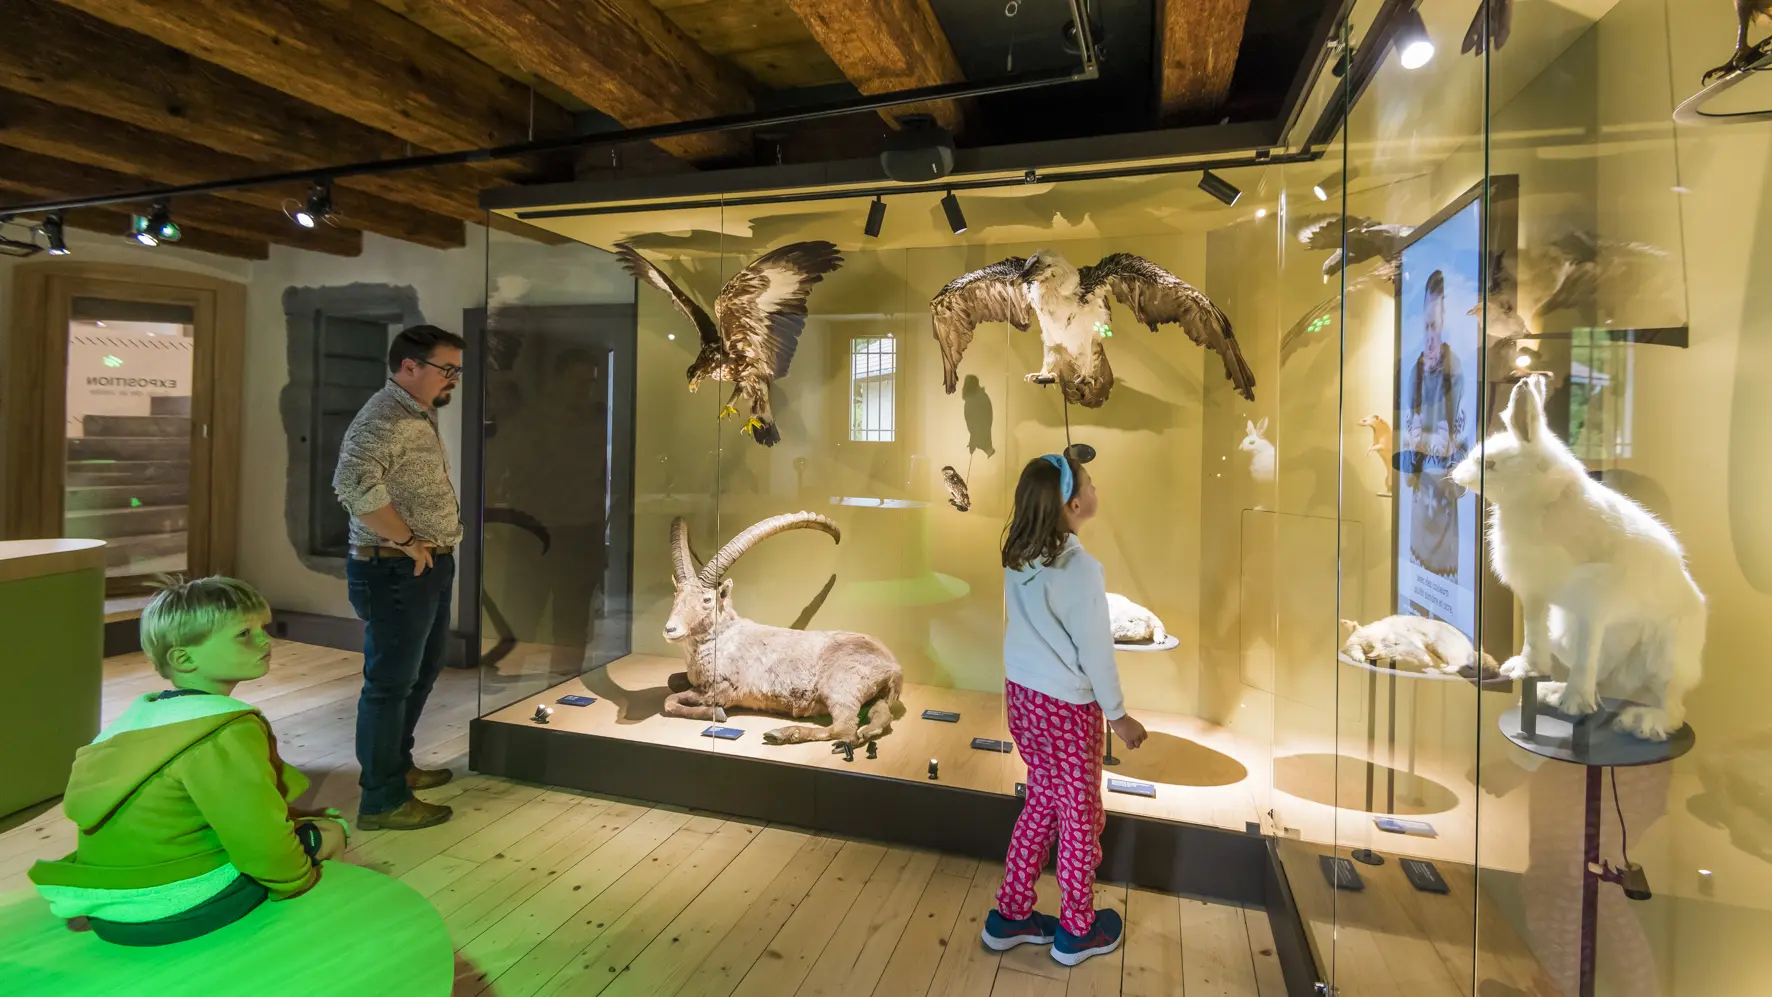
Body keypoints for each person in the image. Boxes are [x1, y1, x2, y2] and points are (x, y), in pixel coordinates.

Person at [27, 577, 348, 946]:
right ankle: (315, 940)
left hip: (110, 908)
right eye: (244, 634)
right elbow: (258, 838)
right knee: (328, 831)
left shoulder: (135, 721)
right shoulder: (225, 729)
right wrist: (297, 878)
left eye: (264, 629)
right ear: (184, 657)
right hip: (172, 910)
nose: (265, 641)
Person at [981, 453, 1148, 966]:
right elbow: (1096, 650)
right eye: (1091, 483)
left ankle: (1010, 914)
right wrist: (1118, 715)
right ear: (1075, 503)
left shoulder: (1018, 555)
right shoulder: (1080, 570)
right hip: (1066, 710)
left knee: (1043, 801)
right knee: (1080, 816)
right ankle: (1077, 929)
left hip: (1023, 699)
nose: (1097, 489)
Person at [333, 324, 466, 831]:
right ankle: (381, 800)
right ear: (410, 366)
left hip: (422, 565)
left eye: (456, 370)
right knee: (389, 685)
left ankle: (397, 769)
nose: (452, 379)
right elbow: (351, 484)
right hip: (394, 567)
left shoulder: (415, 412)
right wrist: (408, 541)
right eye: (446, 369)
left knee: (420, 673)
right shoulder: (385, 416)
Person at [1402, 270, 1467, 580]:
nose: (1430, 338)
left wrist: (1445, 449)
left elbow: (1465, 473)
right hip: (1418, 523)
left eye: (1436, 328)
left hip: (1444, 528)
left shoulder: (1458, 375)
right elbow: (1407, 465)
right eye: (1426, 327)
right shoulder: (1414, 372)